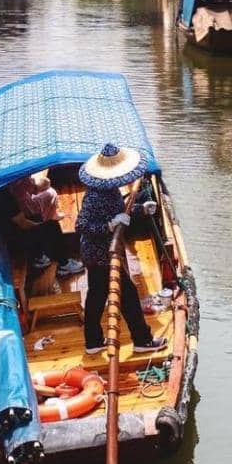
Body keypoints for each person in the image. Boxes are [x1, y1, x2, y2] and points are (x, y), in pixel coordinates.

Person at [76, 143, 166, 354]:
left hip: (101, 252)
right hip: (100, 253)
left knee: (97, 295)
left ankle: (93, 342)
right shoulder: (96, 196)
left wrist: (141, 210)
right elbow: (81, 225)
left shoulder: (110, 189)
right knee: (128, 295)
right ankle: (142, 339)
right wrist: (108, 225)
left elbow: (120, 212)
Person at [0, 179, 84, 278]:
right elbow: (24, 224)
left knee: (43, 221)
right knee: (50, 226)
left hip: (5, 233)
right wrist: (43, 223)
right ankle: (63, 263)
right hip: (8, 243)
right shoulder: (3, 197)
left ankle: (41, 256)